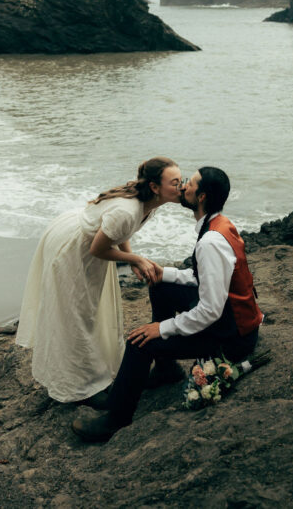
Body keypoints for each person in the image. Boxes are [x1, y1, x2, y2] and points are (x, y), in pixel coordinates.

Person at [72, 166, 263, 442]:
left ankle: (116, 419)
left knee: (140, 342)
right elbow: (203, 280)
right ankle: (166, 368)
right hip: (230, 320)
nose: (184, 186)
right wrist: (165, 273)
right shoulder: (218, 223)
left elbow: (210, 309)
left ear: (201, 197)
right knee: (159, 286)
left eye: (190, 183)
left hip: (231, 337)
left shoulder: (210, 242)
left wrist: (162, 328)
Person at [15, 157, 182, 405]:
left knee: (89, 314)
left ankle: (93, 375)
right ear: (155, 187)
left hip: (83, 239)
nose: (182, 187)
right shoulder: (127, 210)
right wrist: (134, 258)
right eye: (175, 182)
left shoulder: (148, 202)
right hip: (73, 249)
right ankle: (80, 389)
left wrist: (133, 259)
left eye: (182, 181)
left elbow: (122, 232)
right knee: (76, 318)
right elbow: (98, 249)